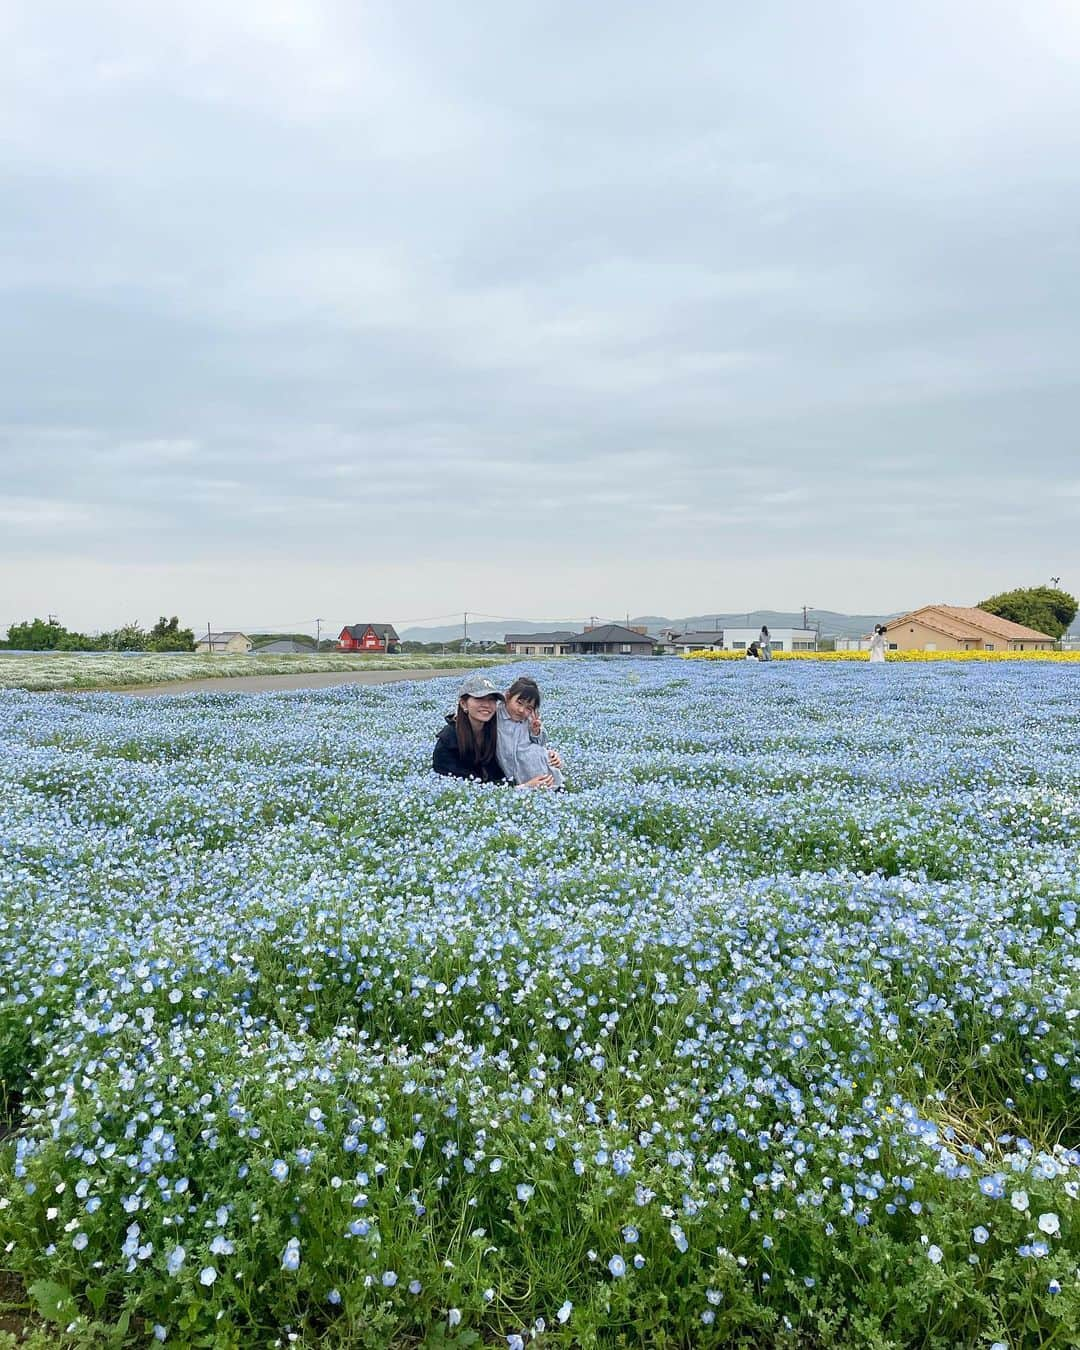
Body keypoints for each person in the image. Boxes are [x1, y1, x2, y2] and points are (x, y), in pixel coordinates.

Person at [432, 674, 556, 787]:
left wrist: (546, 755)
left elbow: (517, 748)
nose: (487, 705)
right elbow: (467, 790)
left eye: (491, 699)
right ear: (464, 704)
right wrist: (524, 788)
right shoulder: (447, 742)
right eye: (479, 699)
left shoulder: (494, 729)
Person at [497, 675, 565, 788]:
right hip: (522, 778)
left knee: (553, 789)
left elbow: (540, 744)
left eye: (529, 708)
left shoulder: (528, 720)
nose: (521, 710)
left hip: (541, 769)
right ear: (507, 696)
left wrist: (535, 731)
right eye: (519, 703)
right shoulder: (496, 716)